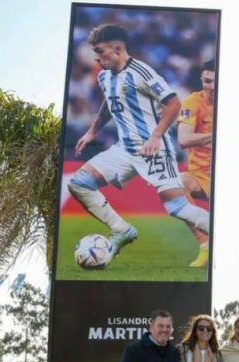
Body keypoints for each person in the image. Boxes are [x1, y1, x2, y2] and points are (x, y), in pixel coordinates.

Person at [71, 24, 210, 259]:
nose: (96, 57)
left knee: (177, 208)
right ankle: (122, 230)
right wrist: (92, 131)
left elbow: (173, 103)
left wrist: (156, 136)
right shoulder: (105, 76)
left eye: (100, 51)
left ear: (117, 49)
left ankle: (224, 235)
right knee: (79, 184)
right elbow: (110, 103)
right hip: (125, 150)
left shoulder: (141, 72)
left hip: (154, 150)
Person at [177, 59, 216, 268]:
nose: (210, 87)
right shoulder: (193, 101)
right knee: (175, 184)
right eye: (207, 81)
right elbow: (184, 140)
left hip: (229, 176)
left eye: (215, 82)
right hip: (201, 174)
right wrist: (215, 135)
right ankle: (204, 243)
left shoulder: (236, 102)